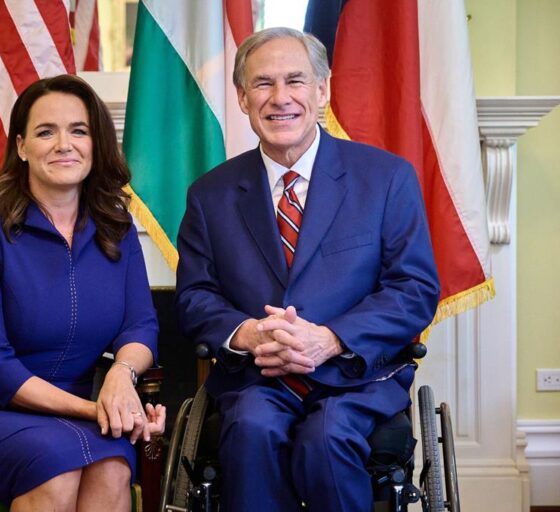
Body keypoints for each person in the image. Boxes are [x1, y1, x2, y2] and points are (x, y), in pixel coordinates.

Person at [175, 28, 439, 511]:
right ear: (242, 97)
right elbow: (195, 297)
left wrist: (332, 339)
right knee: (251, 430)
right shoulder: (210, 195)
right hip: (257, 378)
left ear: (322, 90)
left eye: (295, 81)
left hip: (357, 377)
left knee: (327, 439)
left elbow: (414, 288)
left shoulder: (386, 178)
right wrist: (249, 334)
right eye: (263, 83)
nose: (280, 98)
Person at [0, 74, 165, 512]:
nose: (64, 144)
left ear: (96, 144)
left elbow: (140, 325)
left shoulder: (117, 232)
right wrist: (100, 411)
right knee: (55, 464)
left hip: (65, 421)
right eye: (46, 132)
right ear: (22, 147)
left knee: (113, 466)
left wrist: (121, 379)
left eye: (78, 131)